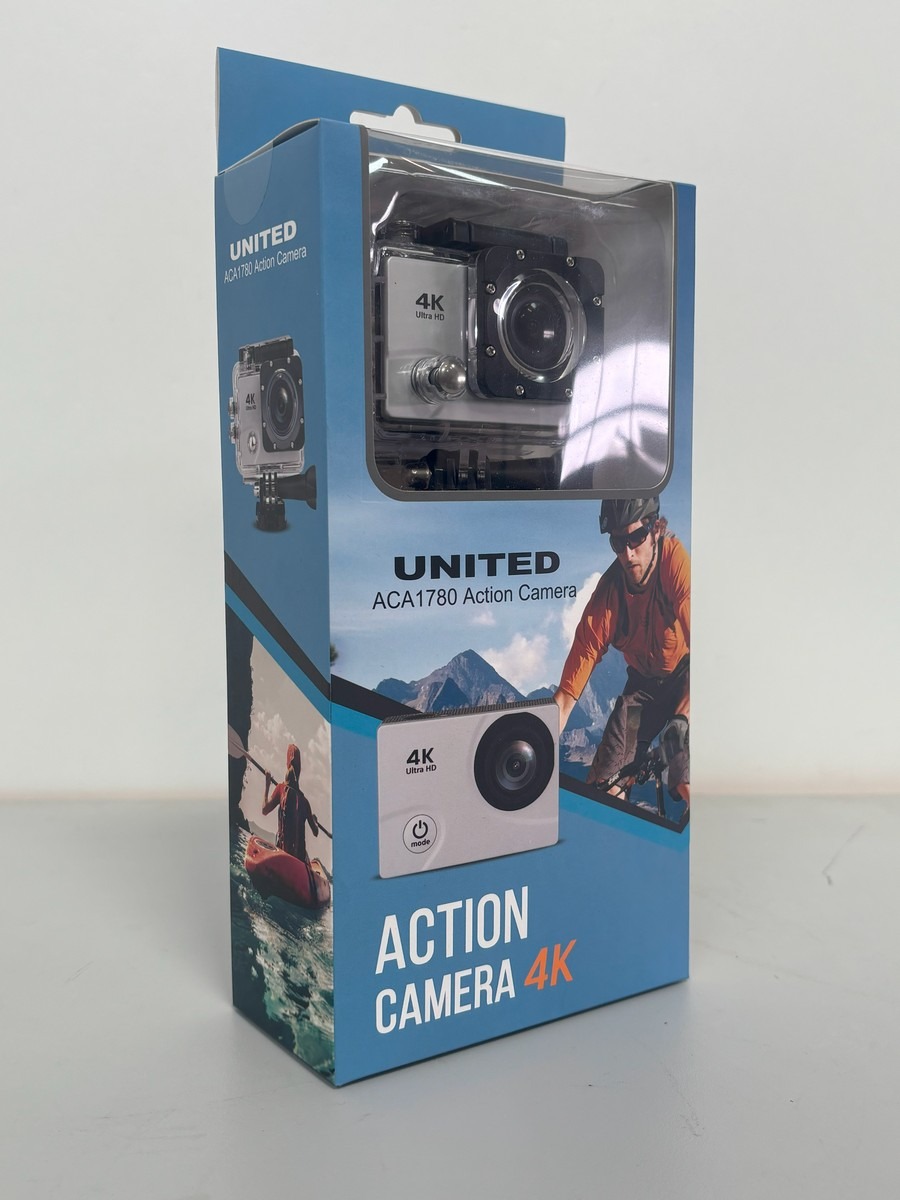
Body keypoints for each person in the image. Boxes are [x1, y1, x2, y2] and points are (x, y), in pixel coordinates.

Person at [553, 496, 690, 807]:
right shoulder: (608, 595)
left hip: (687, 677)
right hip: (642, 692)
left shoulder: (675, 562)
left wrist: (683, 716)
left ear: (656, 529)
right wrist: (539, 748)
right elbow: (565, 698)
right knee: (604, 785)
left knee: (684, 772)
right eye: (617, 542)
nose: (627, 553)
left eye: (637, 537)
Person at [262, 743, 320, 861]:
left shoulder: (280, 789)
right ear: (300, 770)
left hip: (282, 852)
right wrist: (314, 821)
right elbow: (315, 832)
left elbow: (264, 810)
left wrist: (267, 785)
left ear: (287, 764)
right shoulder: (305, 802)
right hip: (299, 860)